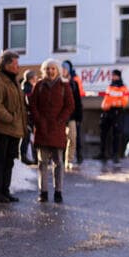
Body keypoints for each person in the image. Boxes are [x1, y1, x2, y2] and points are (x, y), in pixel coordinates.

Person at [30, 59, 74, 203]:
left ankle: (58, 192)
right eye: (48, 68)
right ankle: (43, 192)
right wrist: (38, 120)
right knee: (42, 163)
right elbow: (33, 105)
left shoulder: (64, 86)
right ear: (44, 70)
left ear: (58, 70)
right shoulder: (39, 86)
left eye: (53, 68)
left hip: (57, 129)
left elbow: (70, 106)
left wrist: (61, 120)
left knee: (58, 163)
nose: (50, 71)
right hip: (42, 129)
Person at [0, 50, 28, 203]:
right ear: (6, 65)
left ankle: (5, 190)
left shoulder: (14, 81)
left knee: (9, 160)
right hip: (4, 128)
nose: (18, 67)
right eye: (16, 64)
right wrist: (10, 118)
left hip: (14, 129)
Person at [98, 69, 129, 163]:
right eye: (112, 75)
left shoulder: (123, 88)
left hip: (117, 112)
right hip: (107, 112)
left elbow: (124, 101)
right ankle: (103, 153)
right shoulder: (110, 87)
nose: (113, 77)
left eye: (115, 75)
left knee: (116, 134)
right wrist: (104, 107)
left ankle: (115, 155)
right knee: (104, 133)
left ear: (118, 76)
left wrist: (113, 103)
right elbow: (106, 99)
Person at [61, 60, 84, 169]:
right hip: (60, 116)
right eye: (62, 68)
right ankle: (59, 159)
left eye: (65, 69)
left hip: (72, 116)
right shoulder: (58, 82)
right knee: (61, 139)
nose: (63, 71)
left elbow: (78, 101)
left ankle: (69, 160)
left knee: (72, 138)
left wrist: (79, 116)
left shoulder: (74, 83)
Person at [20, 69, 39, 166]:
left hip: (27, 117)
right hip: (27, 118)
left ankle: (27, 157)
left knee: (28, 138)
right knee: (27, 138)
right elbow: (30, 103)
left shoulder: (27, 87)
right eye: (35, 76)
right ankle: (24, 158)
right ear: (31, 78)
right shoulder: (28, 89)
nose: (37, 78)